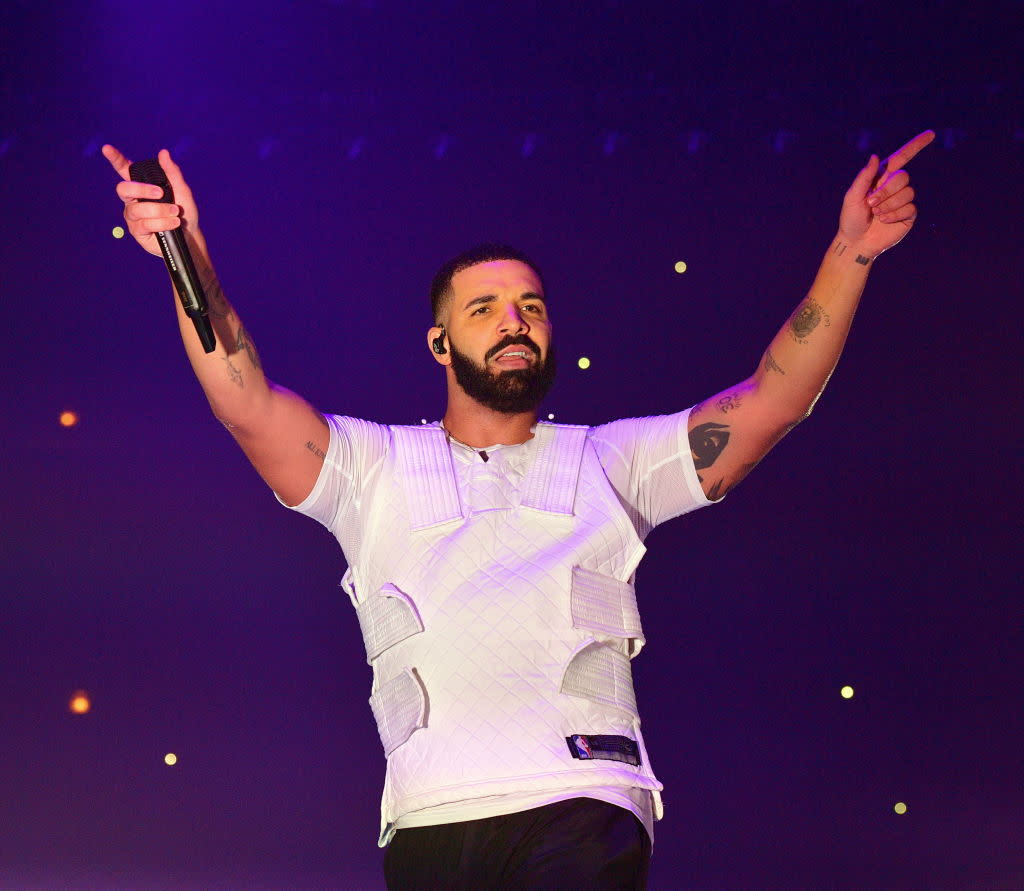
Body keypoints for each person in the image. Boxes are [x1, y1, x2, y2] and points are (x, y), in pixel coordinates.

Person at [103, 130, 934, 889]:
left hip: (583, 799)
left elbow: (772, 400)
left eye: (531, 308)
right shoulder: (371, 465)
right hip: (430, 818)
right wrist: (183, 249)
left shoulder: (612, 459)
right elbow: (242, 393)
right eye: (486, 309)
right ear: (439, 343)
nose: (516, 323)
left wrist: (851, 253)